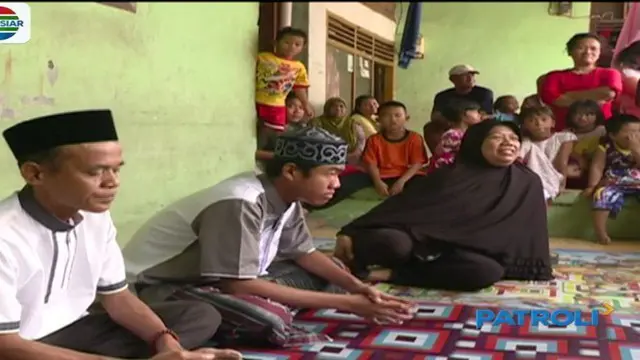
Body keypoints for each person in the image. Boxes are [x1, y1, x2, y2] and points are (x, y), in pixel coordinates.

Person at [0, 110, 241, 360]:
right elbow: (5, 344)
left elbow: (118, 298)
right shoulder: (5, 234)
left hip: (78, 331)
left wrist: (167, 344)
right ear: (35, 174)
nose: (112, 182)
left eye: (116, 170)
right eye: (95, 172)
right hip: (19, 345)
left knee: (200, 316)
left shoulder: (94, 215)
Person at [122, 126, 414, 328]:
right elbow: (236, 283)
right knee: (269, 319)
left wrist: (359, 289)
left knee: (335, 268)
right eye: (330, 174)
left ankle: (274, 304)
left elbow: (304, 254)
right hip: (161, 288)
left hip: (229, 280)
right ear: (291, 171)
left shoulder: (287, 198)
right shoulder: (240, 202)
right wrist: (349, 304)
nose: (337, 184)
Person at [333, 119, 553, 290]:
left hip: (468, 252)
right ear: (477, 143)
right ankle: (377, 261)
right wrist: (350, 231)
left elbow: (530, 230)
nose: (509, 143)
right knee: (393, 244)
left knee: (486, 272)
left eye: (514, 138)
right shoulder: (451, 175)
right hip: (421, 241)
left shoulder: (526, 182)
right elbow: (400, 207)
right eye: (497, 137)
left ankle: (390, 274)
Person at [311, 101, 428, 208]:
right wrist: (377, 182)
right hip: (380, 174)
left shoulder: (414, 138)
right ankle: (314, 206)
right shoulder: (374, 139)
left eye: (398, 115)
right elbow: (371, 164)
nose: (393, 120)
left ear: (406, 118)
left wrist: (401, 182)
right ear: (378, 119)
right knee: (342, 184)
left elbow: (417, 163)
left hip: (406, 175)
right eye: (387, 116)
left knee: (425, 186)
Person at [540, 33, 623, 130]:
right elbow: (553, 99)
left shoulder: (610, 73)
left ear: (600, 52)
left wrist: (568, 95)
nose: (588, 52)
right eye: (581, 48)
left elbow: (609, 93)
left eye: (593, 49)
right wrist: (594, 100)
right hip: (563, 130)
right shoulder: (554, 76)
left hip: (602, 129)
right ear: (570, 51)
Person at [583, 114, 640, 245]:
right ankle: (601, 233)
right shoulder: (606, 146)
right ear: (613, 135)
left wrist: (636, 149)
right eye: (631, 132)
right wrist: (592, 185)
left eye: (639, 131)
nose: (636, 136)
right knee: (602, 195)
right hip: (613, 180)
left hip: (637, 181)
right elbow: (597, 166)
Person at [255, 27, 314, 146]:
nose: (292, 47)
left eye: (297, 44)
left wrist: (305, 104)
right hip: (256, 100)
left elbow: (299, 87)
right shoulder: (262, 57)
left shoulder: (299, 67)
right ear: (276, 42)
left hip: (277, 106)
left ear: (303, 48)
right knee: (254, 129)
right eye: (287, 42)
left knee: (272, 134)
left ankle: (264, 157)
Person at [519, 106, 577, 191]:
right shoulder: (526, 143)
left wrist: (561, 185)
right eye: (532, 120)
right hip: (535, 179)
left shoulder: (564, 137)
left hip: (558, 176)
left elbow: (562, 162)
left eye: (544, 120)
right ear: (525, 126)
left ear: (553, 123)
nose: (539, 124)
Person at [428, 99, 483, 172]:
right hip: (448, 173)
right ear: (464, 114)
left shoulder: (465, 133)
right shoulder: (453, 135)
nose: (480, 115)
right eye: (476, 112)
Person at [311, 97, 366, 166]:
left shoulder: (353, 123)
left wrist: (356, 153)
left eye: (341, 106)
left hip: (352, 158)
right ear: (327, 108)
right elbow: (314, 141)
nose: (338, 109)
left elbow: (361, 140)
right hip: (325, 159)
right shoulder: (317, 122)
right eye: (334, 106)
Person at [256, 93, 308, 163]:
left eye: (301, 107)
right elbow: (255, 153)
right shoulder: (269, 127)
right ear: (281, 107)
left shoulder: (304, 130)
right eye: (291, 106)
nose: (297, 111)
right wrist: (280, 156)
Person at [566, 100, 607, 189]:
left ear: (597, 115)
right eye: (578, 114)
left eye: (588, 114)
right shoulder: (566, 133)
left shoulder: (602, 131)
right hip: (575, 169)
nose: (583, 118)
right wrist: (578, 158)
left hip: (598, 166)